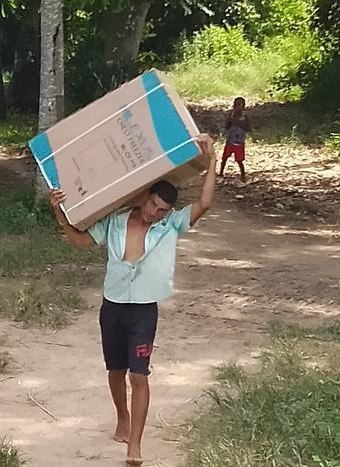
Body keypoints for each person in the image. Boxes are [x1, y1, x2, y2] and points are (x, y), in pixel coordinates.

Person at [47, 136, 218, 466]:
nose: (155, 213)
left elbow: (205, 204)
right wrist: (59, 213)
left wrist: (211, 162)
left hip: (143, 310)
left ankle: (134, 445)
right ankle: (121, 418)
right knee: (115, 370)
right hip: (112, 306)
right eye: (153, 205)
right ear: (145, 198)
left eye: (162, 210)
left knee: (138, 376)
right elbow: (82, 242)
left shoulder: (170, 226)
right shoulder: (115, 220)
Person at [220, 97, 251, 184]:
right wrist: (230, 122)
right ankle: (221, 173)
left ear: (243, 107)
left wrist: (239, 123)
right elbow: (227, 126)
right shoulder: (231, 115)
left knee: (239, 160)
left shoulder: (245, 117)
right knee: (225, 158)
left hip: (239, 141)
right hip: (230, 140)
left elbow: (248, 129)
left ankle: (243, 175)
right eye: (236, 105)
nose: (237, 107)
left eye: (239, 105)